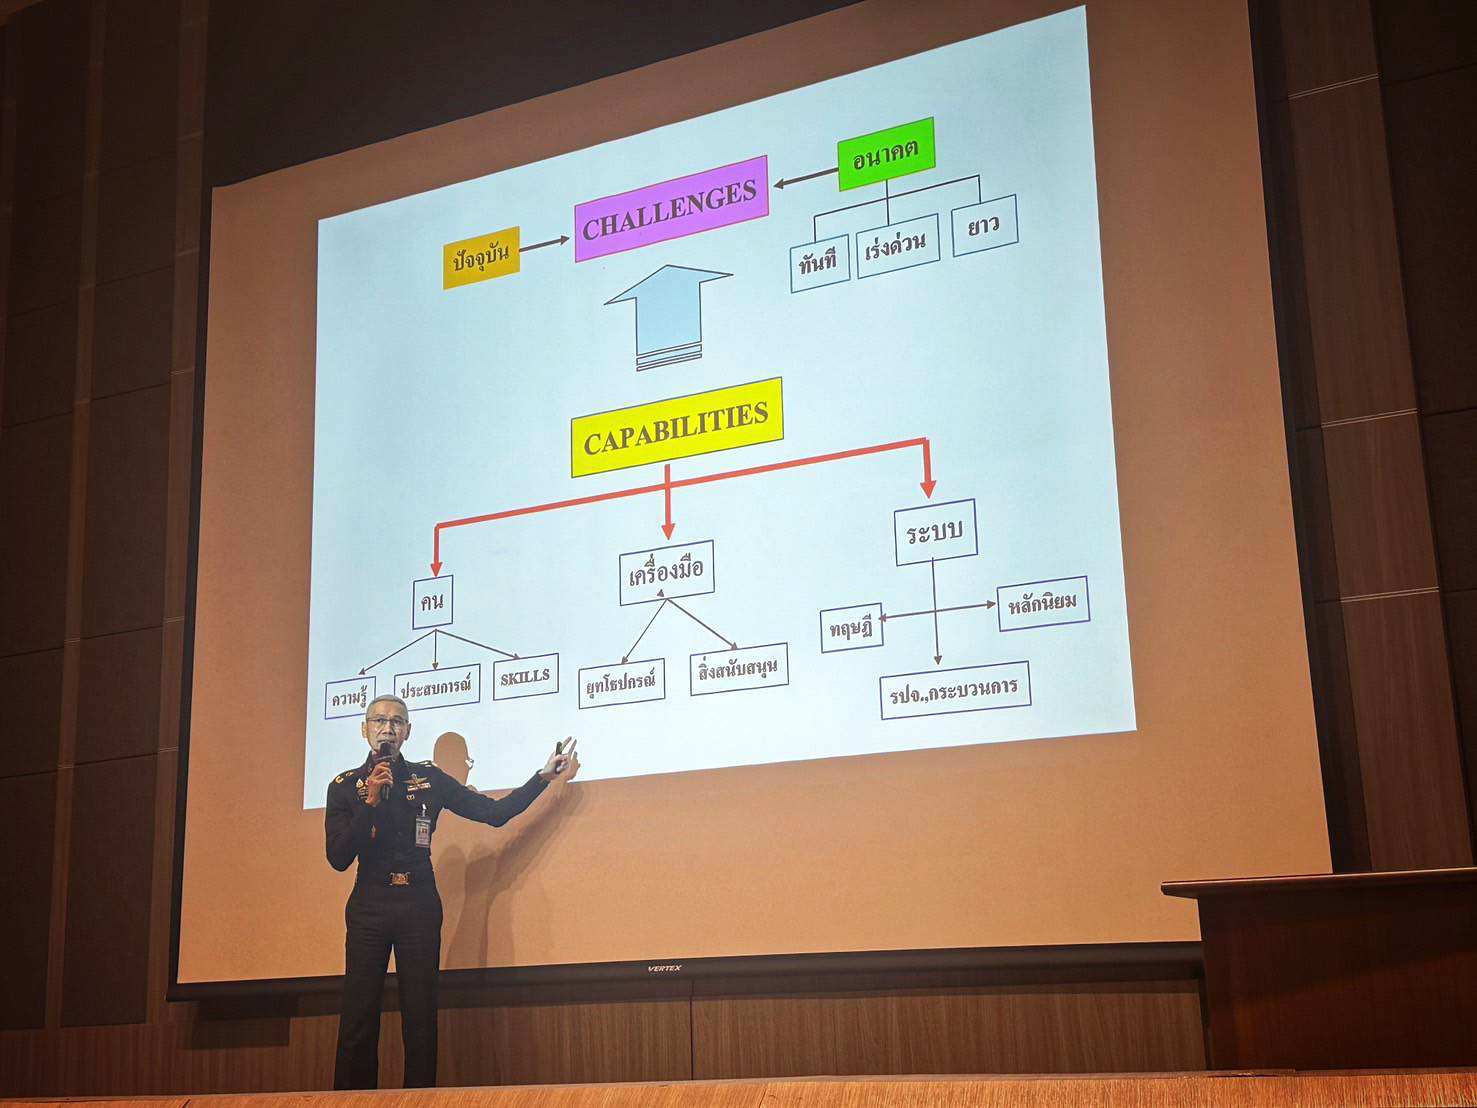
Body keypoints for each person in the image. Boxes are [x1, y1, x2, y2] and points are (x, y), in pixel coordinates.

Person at [325, 694, 578, 1088]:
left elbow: (494, 814)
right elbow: (339, 858)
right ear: (365, 730)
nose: (387, 728)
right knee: (358, 1018)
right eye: (379, 721)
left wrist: (541, 778)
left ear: (407, 732)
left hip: (418, 906)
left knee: (420, 1018)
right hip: (369, 906)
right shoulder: (343, 787)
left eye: (396, 721)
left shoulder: (430, 779)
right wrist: (370, 803)